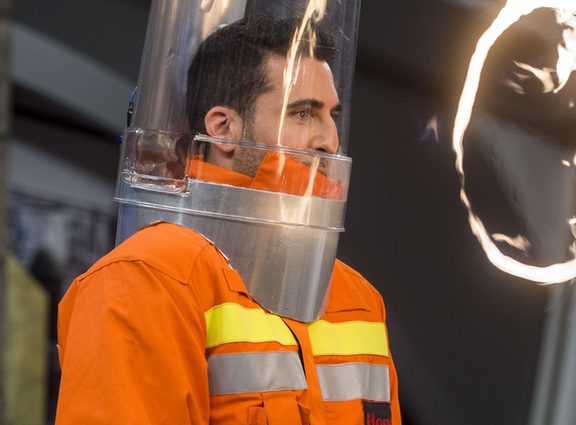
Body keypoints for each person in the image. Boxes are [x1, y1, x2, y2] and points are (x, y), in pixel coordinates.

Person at [56, 14, 401, 425]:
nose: (330, 139)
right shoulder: (147, 278)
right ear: (222, 128)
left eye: (331, 115)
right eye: (303, 114)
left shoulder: (358, 299)